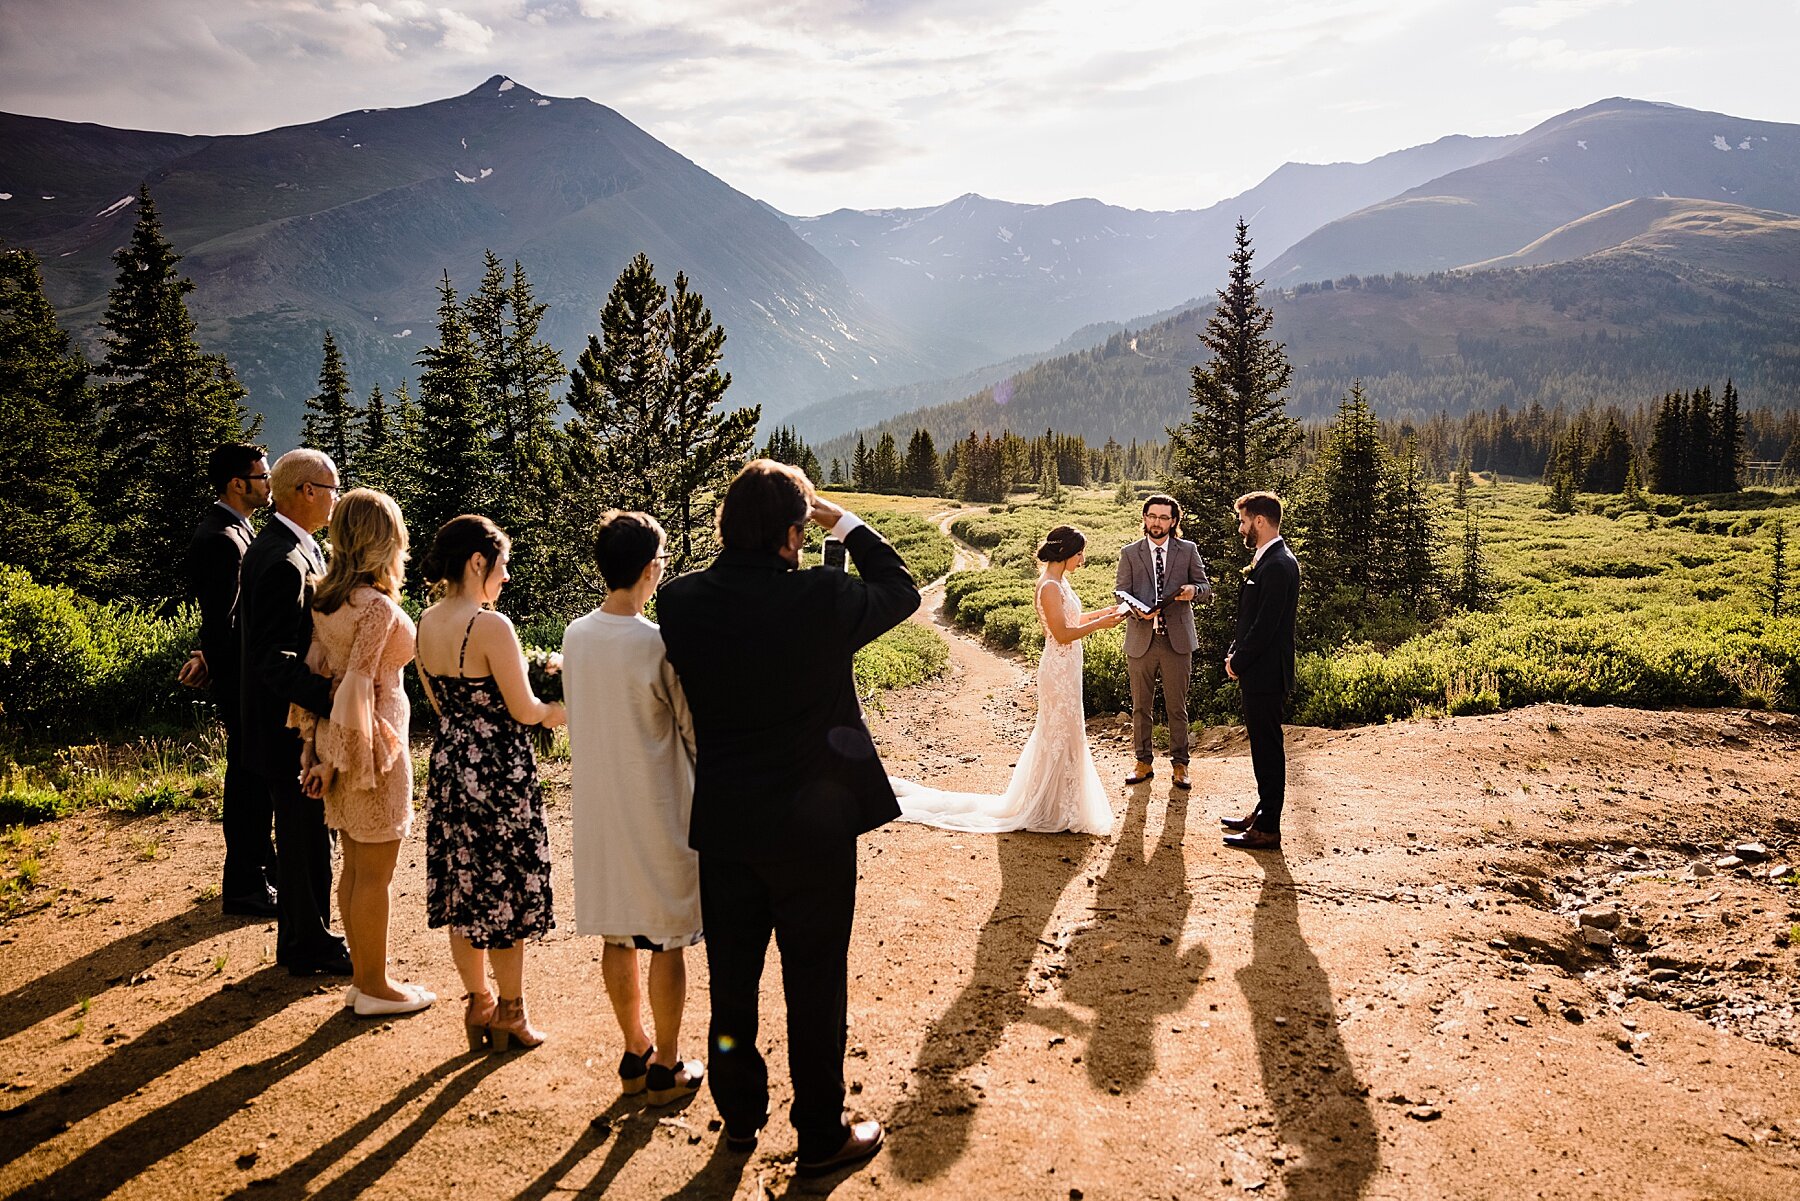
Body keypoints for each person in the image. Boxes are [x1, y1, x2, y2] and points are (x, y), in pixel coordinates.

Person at [657, 460, 918, 1176]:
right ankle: (819, 1131)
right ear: (791, 535)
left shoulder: (681, 603)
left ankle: (739, 1115)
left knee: (732, 978)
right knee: (814, 978)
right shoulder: (822, 598)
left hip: (729, 823)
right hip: (815, 827)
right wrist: (848, 521)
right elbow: (901, 589)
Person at [565, 511, 704, 1105]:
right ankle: (667, 1066)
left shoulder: (575, 634)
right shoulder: (656, 644)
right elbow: (693, 731)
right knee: (668, 935)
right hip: (658, 803)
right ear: (651, 569)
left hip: (599, 804)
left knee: (617, 932)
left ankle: (633, 1048)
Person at [417, 516, 565, 1051]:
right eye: (501, 566)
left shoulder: (425, 623)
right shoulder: (491, 627)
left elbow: (438, 705)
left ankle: (477, 1003)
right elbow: (523, 709)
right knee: (505, 892)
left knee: (465, 887)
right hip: (499, 773)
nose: (505, 578)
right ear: (477, 563)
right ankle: (511, 1012)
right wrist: (559, 710)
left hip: (453, 766)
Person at [291, 489, 434, 1018]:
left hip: (338, 740)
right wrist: (348, 761)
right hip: (370, 750)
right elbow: (358, 684)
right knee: (375, 873)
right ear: (385, 540)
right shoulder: (375, 608)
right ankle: (376, 985)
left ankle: (363, 979)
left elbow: (313, 674)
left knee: (353, 867)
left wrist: (313, 749)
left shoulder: (329, 599)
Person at [890, 525, 1124, 834]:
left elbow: (1071, 620)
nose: (1082, 560)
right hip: (1058, 669)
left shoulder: (1060, 583)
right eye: (1080, 554)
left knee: (1066, 734)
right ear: (1066, 553)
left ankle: (1060, 803)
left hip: (1068, 667)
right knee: (1059, 734)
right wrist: (1101, 626)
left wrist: (1102, 613)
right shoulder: (1049, 587)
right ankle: (1049, 806)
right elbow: (1062, 634)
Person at [238, 448, 348, 975]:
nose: (336, 497)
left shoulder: (292, 548)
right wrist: (332, 699)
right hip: (287, 730)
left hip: (290, 725)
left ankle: (304, 938)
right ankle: (309, 944)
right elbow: (271, 657)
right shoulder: (282, 559)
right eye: (332, 488)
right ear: (306, 491)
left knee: (310, 835)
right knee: (305, 839)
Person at [183, 442, 277, 918]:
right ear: (237, 484)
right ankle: (245, 888)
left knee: (254, 782)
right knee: (248, 786)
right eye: (262, 476)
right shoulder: (222, 538)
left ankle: (264, 874)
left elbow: (221, 619)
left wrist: (203, 654)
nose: (268, 483)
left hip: (239, 678)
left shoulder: (234, 529)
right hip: (244, 686)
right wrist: (226, 672)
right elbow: (225, 623)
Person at [1221, 492, 1301, 851]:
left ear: (1259, 521)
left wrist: (1238, 662)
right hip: (1260, 671)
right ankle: (1263, 810)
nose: (1240, 528)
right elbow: (1251, 620)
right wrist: (1235, 651)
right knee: (1262, 747)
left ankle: (1269, 827)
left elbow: (1267, 626)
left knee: (1268, 749)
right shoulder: (1268, 560)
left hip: (1267, 674)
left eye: (1243, 521)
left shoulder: (1279, 565)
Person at [1116, 494, 1211, 789]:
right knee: (1141, 706)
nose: (1157, 523)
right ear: (1144, 518)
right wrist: (1137, 611)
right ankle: (1143, 762)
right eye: (1152, 516)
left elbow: (1206, 587)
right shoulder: (1130, 553)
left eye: (1164, 518)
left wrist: (1193, 591)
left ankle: (1180, 766)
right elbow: (1120, 592)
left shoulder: (1188, 550)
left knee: (1176, 707)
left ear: (1173, 521)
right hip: (1141, 640)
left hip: (1177, 641)